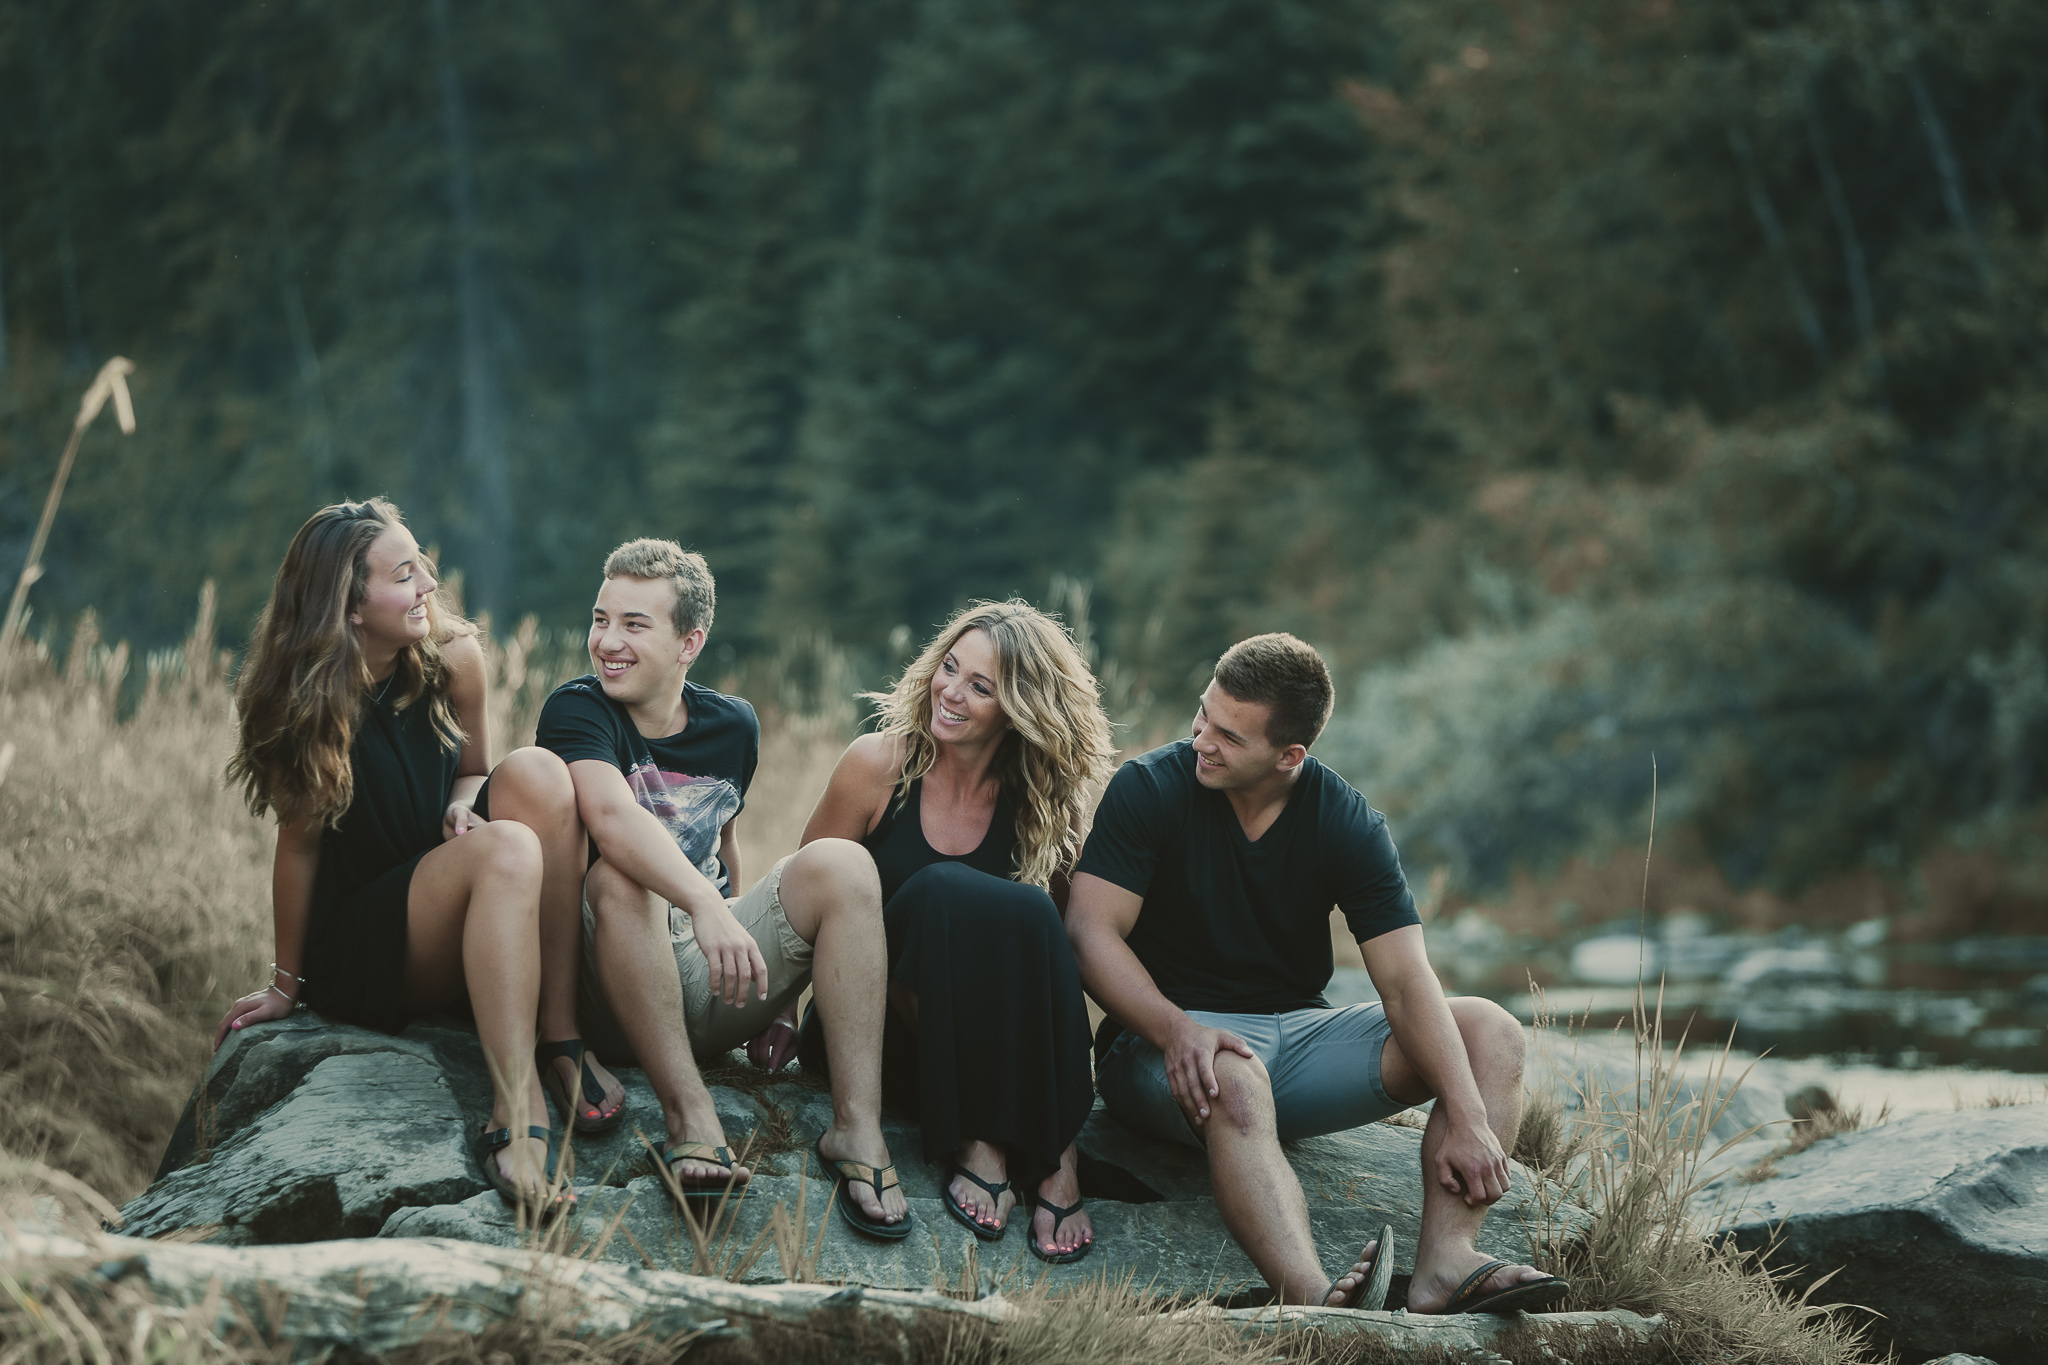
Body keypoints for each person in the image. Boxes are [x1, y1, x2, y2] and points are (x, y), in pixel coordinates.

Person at [1066, 633, 1568, 1315]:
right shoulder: (1150, 788)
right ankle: (1313, 1298)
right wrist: (1177, 1028)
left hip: (1295, 1041)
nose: (1201, 740)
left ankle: (1445, 1264)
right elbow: (1091, 932)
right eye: (1203, 715)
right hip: (1161, 1047)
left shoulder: (1345, 819)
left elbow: (1405, 982)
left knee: (1493, 1033)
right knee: (1236, 1076)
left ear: (1288, 755)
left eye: (1229, 735)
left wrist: (1470, 1114)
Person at [528, 538, 911, 1237]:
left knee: (845, 864)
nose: (607, 641)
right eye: (600, 618)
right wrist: (706, 905)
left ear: (689, 641)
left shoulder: (733, 724)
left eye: (634, 624)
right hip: (611, 974)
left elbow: (724, 840)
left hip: (702, 977)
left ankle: (857, 1131)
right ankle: (690, 1114)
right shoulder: (576, 711)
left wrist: (779, 993)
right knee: (623, 873)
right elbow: (612, 821)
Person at [214, 499, 579, 1211]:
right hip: (368, 936)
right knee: (507, 848)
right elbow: (298, 847)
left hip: (442, 883)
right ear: (350, 608)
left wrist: (464, 801)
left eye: (424, 566)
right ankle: (518, 1111)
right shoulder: (308, 698)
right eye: (405, 574)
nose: (428, 586)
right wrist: (287, 983)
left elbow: (475, 766)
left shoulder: (455, 658)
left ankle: (562, 1033)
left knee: (536, 770)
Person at [796, 601, 1113, 1262]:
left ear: (1021, 707)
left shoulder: (1042, 806)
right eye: (949, 667)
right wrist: (769, 1015)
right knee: (942, 889)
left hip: (990, 1050)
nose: (951, 691)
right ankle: (978, 1139)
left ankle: (1059, 1158)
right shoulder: (876, 766)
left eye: (981, 686)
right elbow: (804, 894)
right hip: (877, 1034)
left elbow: (1051, 964)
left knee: (1038, 915)